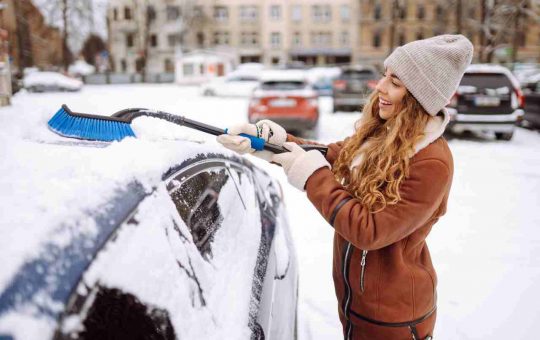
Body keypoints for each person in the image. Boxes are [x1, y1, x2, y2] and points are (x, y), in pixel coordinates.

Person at [217, 35, 473, 340]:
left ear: (419, 97)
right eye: (385, 76)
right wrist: (276, 144)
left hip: (394, 321)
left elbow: (369, 230)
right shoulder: (385, 133)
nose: (380, 87)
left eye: (395, 82)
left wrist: (311, 176)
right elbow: (336, 155)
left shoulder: (431, 162)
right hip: (358, 306)